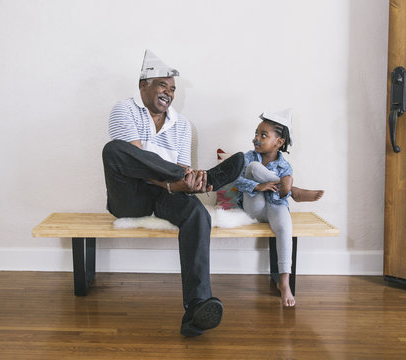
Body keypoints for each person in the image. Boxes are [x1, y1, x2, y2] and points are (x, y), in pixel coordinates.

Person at [102, 50, 245, 336]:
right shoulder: (124, 109)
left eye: (173, 89)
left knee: (196, 213)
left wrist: (181, 183)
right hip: (129, 195)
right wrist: (183, 178)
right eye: (162, 85)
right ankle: (207, 180)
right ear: (143, 84)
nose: (168, 93)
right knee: (114, 150)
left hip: (168, 192)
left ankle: (197, 307)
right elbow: (136, 164)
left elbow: (178, 179)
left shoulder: (181, 125)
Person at [233, 108, 313, 307]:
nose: (256, 139)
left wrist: (279, 186)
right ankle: (293, 190)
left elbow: (279, 201)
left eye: (263, 135)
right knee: (254, 169)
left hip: (275, 206)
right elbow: (236, 179)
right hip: (255, 207)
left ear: (279, 142)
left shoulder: (285, 167)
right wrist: (258, 185)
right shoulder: (248, 157)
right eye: (256, 134)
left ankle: (284, 283)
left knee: (285, 229)